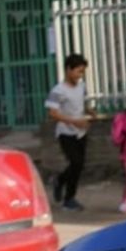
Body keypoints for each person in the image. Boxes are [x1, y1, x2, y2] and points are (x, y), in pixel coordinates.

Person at [44, 54, 98, 211]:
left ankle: (60, 181)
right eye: (78, 71)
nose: (80, 75)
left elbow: (82, 103)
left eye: (82, 72)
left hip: (81, 132)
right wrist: (75, 121)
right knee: (76, 162)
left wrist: (90, 111)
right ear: (68, 69)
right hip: (65, 133)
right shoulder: (58, 90)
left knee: (78, 166)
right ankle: (69, 199)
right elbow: (53, 113)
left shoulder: (81, 86)